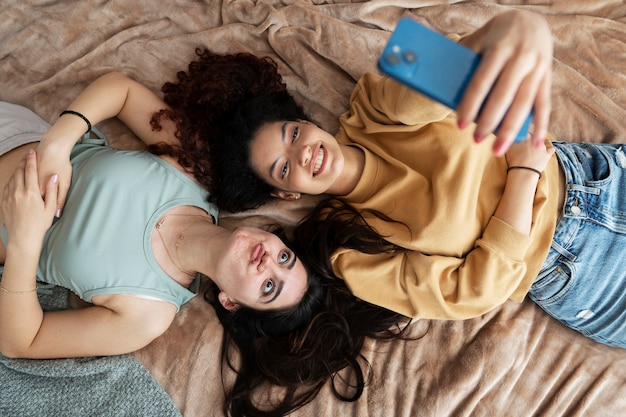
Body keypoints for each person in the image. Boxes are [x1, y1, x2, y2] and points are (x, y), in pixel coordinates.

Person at [0, 54, 410, 416]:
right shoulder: (195, 173)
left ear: (232, 302)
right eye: (285, 258)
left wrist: (23, 240)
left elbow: (23, 341)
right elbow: (121, 90)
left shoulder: (147, 317)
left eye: (268, 286)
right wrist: (58, 142)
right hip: (15, 135)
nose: (268, 262)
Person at [205, 10, 626, 350]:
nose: (303, 154)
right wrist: (522, 174)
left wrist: (512, 27)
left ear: (303, 122)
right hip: (579, 271)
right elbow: (470, 293)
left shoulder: (372, 108)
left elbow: (439, 78)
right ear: (286, 191)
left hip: (594, 176)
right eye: (283, 167)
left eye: (293, 135)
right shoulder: (349, 249)